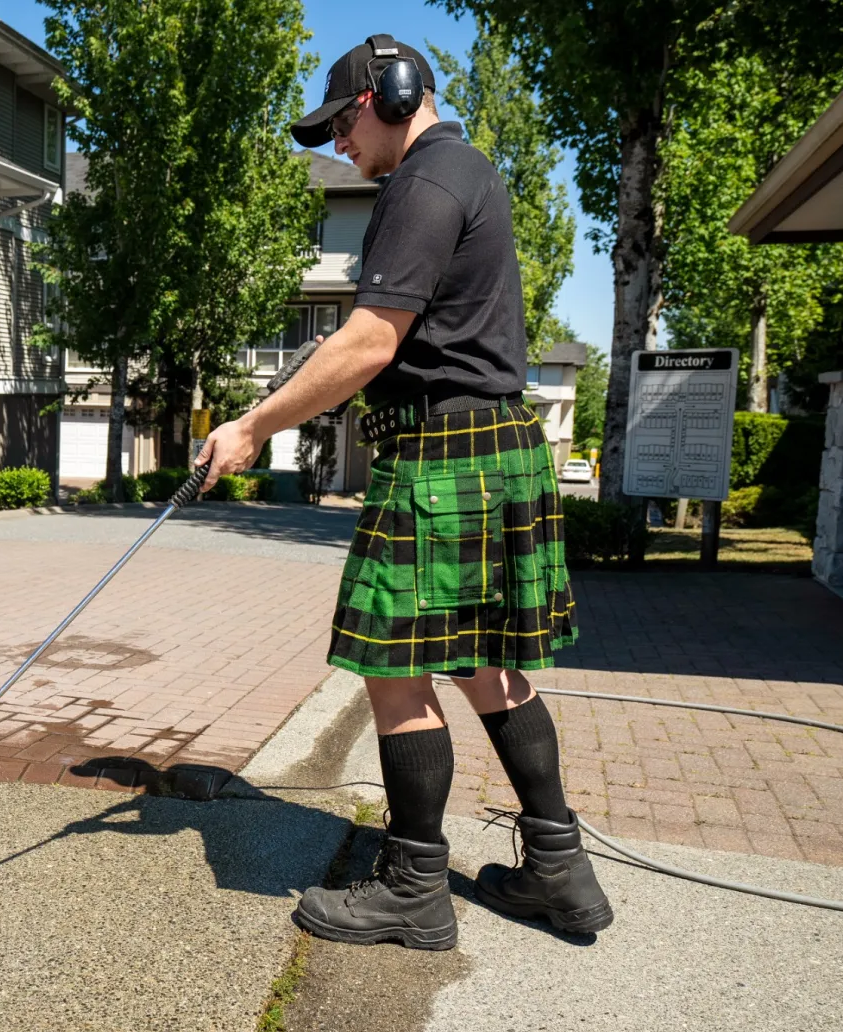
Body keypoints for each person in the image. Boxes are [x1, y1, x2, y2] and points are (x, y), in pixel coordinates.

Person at [197, 34, 612, 949]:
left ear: (391, 95)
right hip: (494, 447)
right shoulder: (466, 172)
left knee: (395, 668)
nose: (339, 146)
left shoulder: (423, 184)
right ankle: (560, 869)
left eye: (342, 125)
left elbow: (370, 341)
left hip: (442, 456)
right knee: (486, 664)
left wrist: (253, 424)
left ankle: (414, 887)